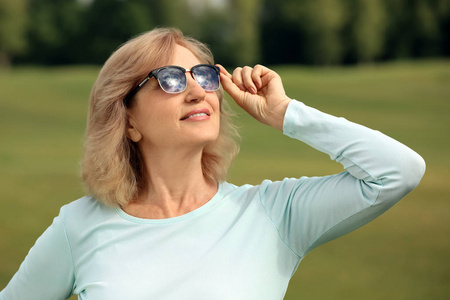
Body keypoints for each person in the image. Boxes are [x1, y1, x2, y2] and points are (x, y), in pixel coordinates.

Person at [0, 28, 425, 300]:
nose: (196, 91)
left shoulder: (271, 213)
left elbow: (397, 171)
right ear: (127, 119)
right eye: (169, 79)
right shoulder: (79, 227)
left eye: (203, 76)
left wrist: (284, 113)